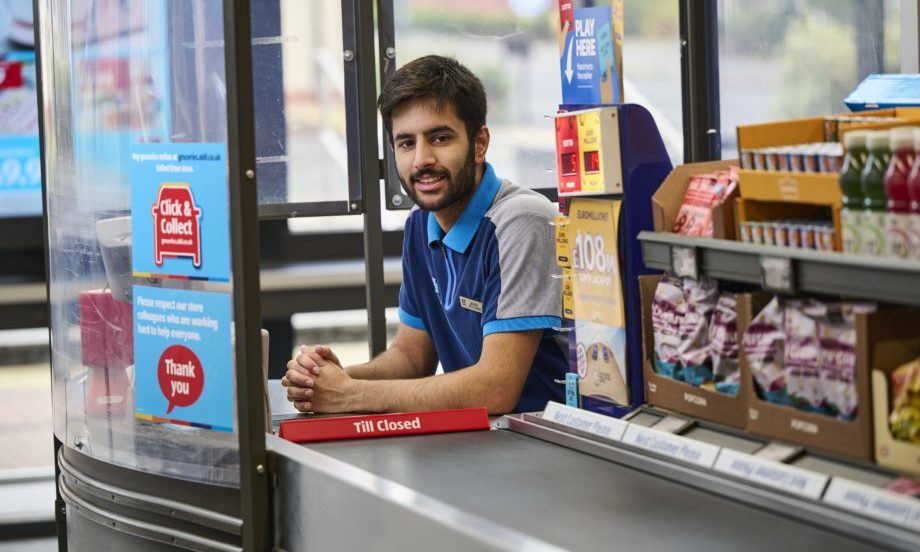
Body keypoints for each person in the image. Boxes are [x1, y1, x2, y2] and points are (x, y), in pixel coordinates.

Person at [281, 55, 567, 415]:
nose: (421, 159)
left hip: (548, 439)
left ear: (479, 143)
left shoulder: (522, 222)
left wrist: (351, 394)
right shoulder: (420, 223)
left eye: (439, 138)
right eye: (406, 143)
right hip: (486, 439)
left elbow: (496, 388)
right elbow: (411, 358)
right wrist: (330, 381)